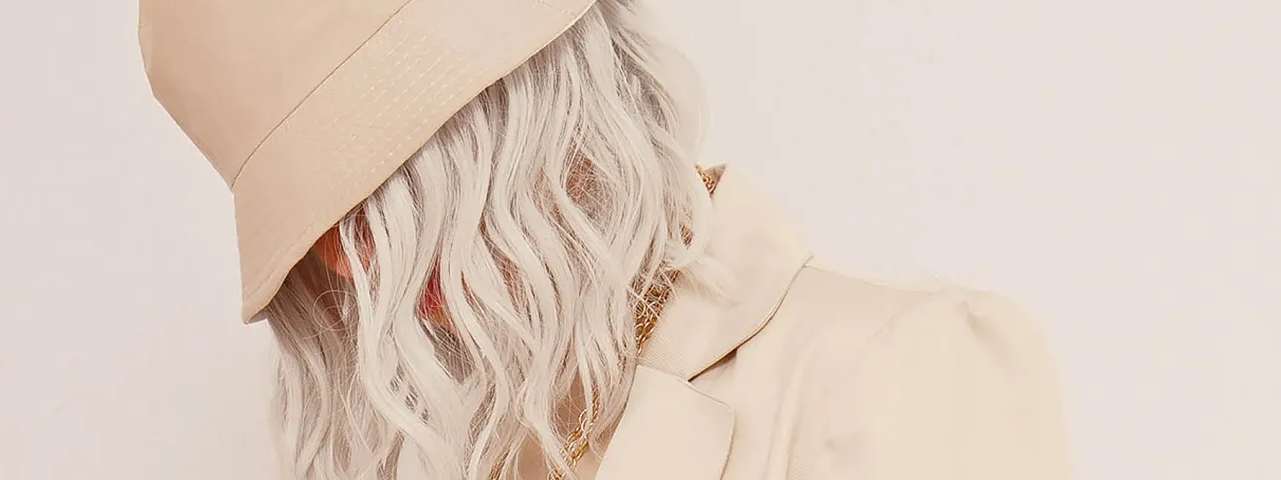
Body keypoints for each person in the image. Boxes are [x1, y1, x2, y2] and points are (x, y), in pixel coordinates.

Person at [137, 0, 1069, 478]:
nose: (349, 263)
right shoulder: (504, 451)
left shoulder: (893, 369)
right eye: (313, 230)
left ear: (530, 111)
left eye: (378, 194)